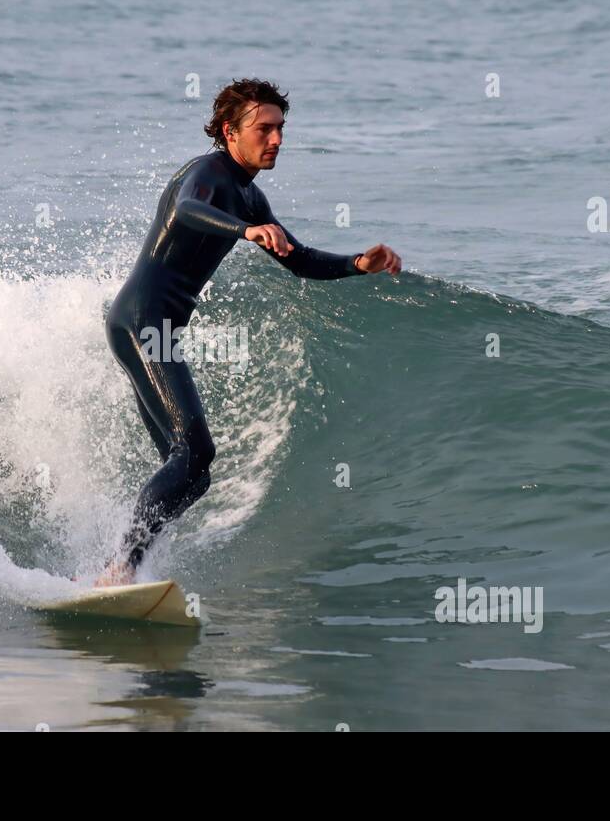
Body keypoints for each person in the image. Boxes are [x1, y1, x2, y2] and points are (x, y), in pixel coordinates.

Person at [97, 78, 402, 586]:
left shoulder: (249, 196)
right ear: (229, 132)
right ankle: (120, 567)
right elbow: (188, 212)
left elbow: (299, 260)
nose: (277, 139)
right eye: (264, 129)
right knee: (195, 451)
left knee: (193, 476)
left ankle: (130, 565)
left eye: (281, 128)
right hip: (141, 321)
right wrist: (244, 230)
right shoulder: (207, 173)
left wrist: (357, 263)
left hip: (156, 328)